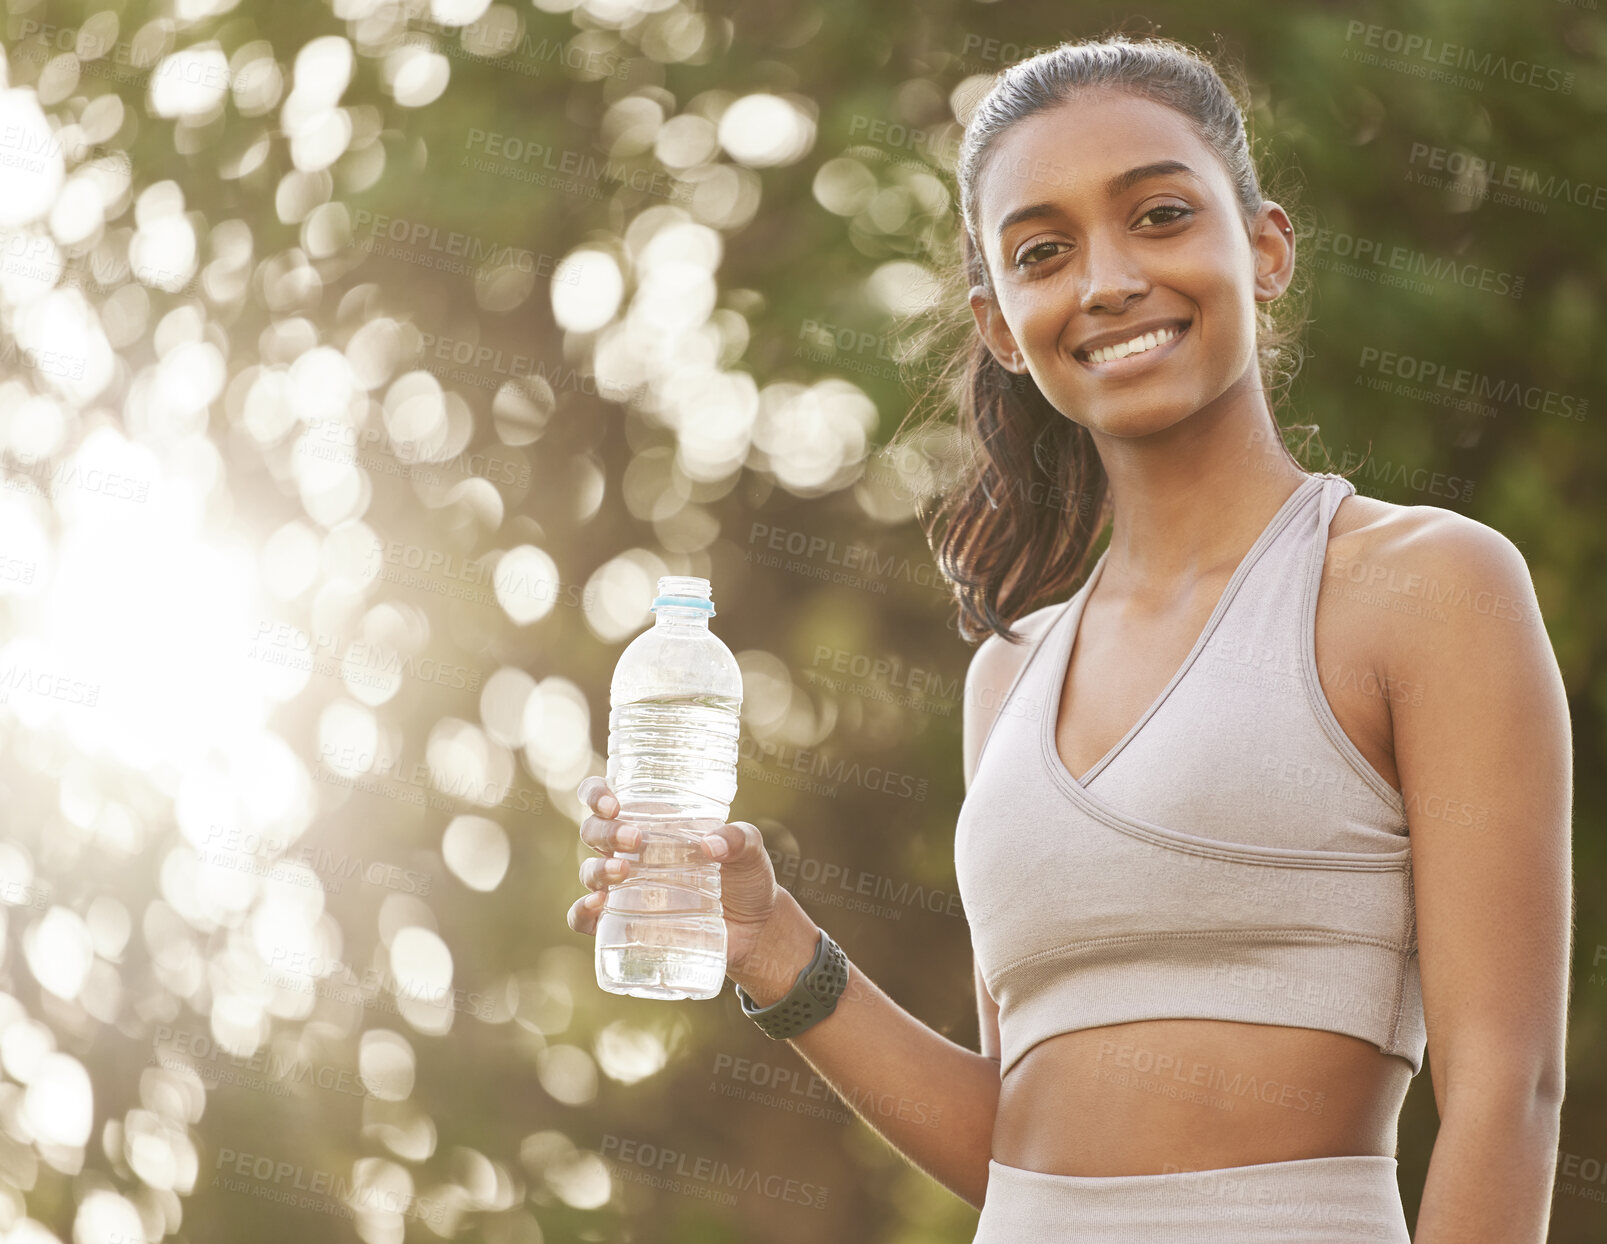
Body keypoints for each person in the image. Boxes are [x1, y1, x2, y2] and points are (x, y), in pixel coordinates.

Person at [568, 32, 1571, 1244]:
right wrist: (774, 947)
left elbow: (1505, 1089)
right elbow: (1015, 1146)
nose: (1104, 281)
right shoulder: (1009, 675)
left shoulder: (1427, 586)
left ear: (1262, 248)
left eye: (1157, 215)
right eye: (1043, 251)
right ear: (999, 322)